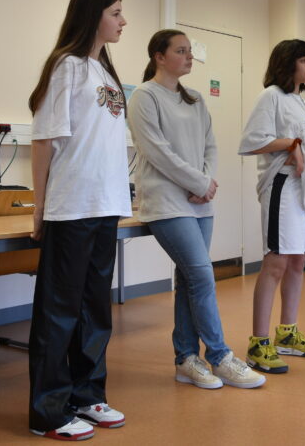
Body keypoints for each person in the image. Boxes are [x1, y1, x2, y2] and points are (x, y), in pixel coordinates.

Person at [129, 29, 266, 390]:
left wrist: (204, 181)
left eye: (190, 51)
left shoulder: (195, 99)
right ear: (159, 56)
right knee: (203, 276)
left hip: (198, 201)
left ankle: (187, 359)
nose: (189, 57)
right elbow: (157, 151)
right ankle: (220, 357)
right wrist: (197, 183)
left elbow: (210, 145)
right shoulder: (144, 96)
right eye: (181, 51)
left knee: (189, 279)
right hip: (165, 201)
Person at [27, 0, 131, 441]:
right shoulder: (66, 67)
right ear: (92, 16)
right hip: (71, 208)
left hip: (106, 205)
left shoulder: (104, 70)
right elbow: (44, 140)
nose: (122, 21)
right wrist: (40, 208)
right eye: (115, 13)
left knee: (94, 308)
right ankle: (46, 412)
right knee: (59, 312)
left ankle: (86, 395)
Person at [238, 39, 305, 374]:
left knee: (298, 260)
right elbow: (251, 141)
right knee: (276, 262)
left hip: (303, 190)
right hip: (282, 187)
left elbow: (301, 139)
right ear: (287, 63)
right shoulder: (271, 97)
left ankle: (287, 333)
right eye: (303, 60)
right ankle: (258, 343)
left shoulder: (301, 102)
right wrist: (292, 143)